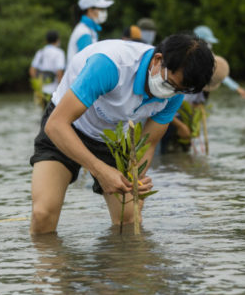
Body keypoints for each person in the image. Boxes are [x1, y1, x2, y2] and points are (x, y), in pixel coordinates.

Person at [29, 34, 215, 234]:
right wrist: (100, 171)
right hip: (68, 127)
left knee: (129, 219)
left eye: (179, 90)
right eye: (170, 84)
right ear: (158, 60)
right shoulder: (111, 65)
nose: (170, 93)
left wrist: (137, 179)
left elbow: (148, 143)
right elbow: (55, 125)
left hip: (114, 139)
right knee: (44, 214)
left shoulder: (175, 94)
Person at [161, 55, 230, 153]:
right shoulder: (180, 82)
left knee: (180, 154)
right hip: (168, 120)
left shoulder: (202, 92)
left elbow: (196, 106)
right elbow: (161, 108)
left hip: (182, 120)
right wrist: (181, 126)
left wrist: (194, 126)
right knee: (164, 152)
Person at [193, 25, 245, 99]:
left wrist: (236, 88)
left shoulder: (208, 56)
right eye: (207, 42)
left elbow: (219, 72)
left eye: (210, 42)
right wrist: (237, 88)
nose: (209, 45)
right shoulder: (193, 55)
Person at [67, 0, 114, 64]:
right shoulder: (84, 32)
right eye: (101, 9)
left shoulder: (88, 30)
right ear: (90, 10)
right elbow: (85, 62)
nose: (104, 12)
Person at [29, 30, 66, 98]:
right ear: (57, 40)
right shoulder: (59, 53)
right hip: (54, 91)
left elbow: (32, 70)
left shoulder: (40, 52)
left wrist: (37, 85)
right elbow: (59, 73)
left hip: (41, 91)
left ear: (46, 41)